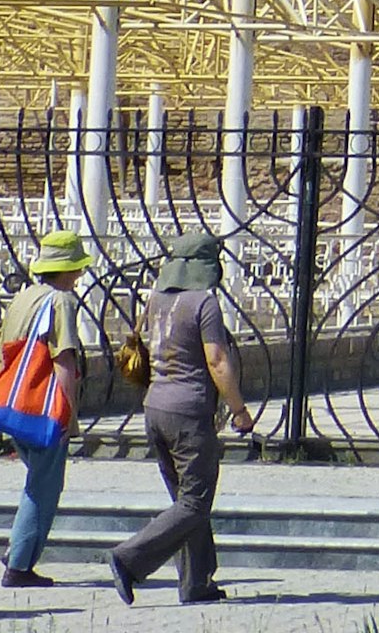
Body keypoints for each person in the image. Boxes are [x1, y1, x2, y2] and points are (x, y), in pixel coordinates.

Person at [109, 229, 254, 606]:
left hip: (155, 408)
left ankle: (196, 583)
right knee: (194, 503)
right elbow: (216, 360)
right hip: (189, 413)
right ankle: (129, 559)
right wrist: (239, 409)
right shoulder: (204, 303)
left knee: (185, 503)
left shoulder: (157, 299)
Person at [0, 226, 100, 588]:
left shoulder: (23, 298)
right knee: (44, 486)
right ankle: (19, 564)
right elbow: (63, 359)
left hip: (14, 406)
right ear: (68, 270)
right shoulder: (61, 301)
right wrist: (68, 412)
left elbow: (6, 357)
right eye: (78, 269)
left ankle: (17, 551)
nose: (80, 276)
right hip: (43, 408)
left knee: (35, 479)